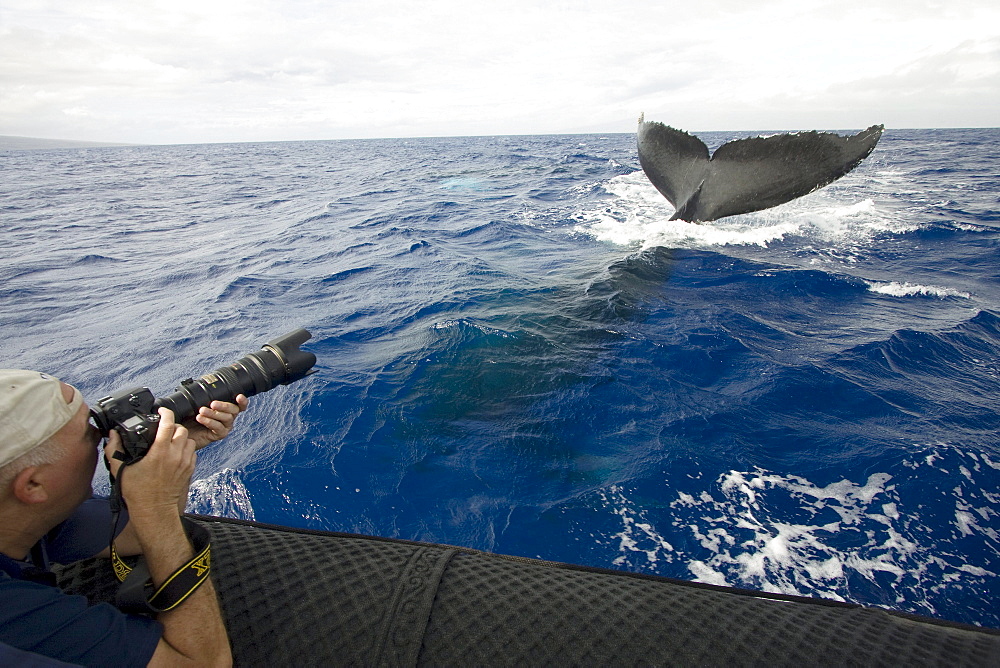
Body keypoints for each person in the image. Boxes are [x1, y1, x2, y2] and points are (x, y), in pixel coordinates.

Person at [0, 369, 249, 667]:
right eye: (87, 432)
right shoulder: (10, 616)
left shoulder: (28, 511)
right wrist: (156, 506)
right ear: (33, 485)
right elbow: (206, 663)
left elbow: (133, 535)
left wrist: (169, 452)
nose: (103, 436)